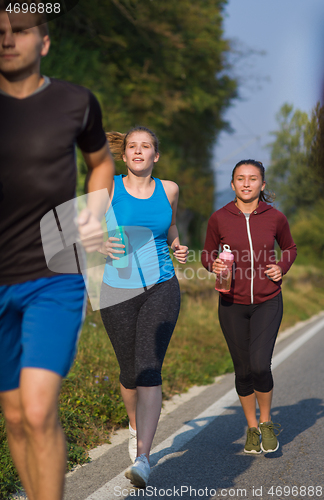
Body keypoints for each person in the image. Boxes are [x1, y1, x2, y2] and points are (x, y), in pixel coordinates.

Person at [0, 3, 115, 500]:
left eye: (21, 30)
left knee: (40, 408)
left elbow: (101, 162)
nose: (8, 39)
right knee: (14, 415)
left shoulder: (76, 102)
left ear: (43, 42)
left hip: (53, 272)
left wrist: (92, 211)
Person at [98, 126, 188, 488]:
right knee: (130, 374)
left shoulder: (169, 190)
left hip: (162, 286)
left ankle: (144, 457)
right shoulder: (108, 188)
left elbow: (171, 227)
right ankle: (135, 426)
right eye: (132, 146)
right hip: (116, 290)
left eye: (145, 146)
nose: (138, 151)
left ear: (156, 155)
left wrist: (178, 246)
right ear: (124, 156)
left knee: (149, 368)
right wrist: (100, 243)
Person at [201, 160, 297, 454]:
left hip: (268, 300)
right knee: (243, 371)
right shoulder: (219, 218)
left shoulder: (275, 217)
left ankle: (267, 423)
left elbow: (290, 249)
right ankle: (252, 428)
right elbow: (207, 253)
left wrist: (282, 266)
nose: (246, 183)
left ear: (262, 185)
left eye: (252, 179)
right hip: (231, 303)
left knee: (259, 365)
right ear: (232, 185)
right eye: (240, 179)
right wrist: (212, 264)